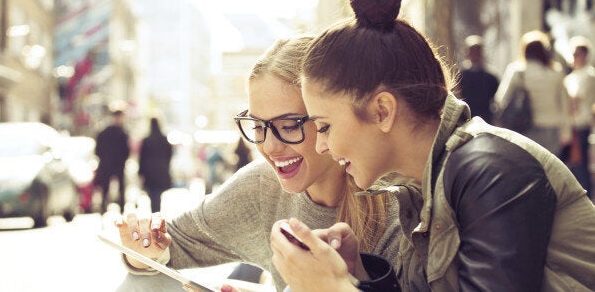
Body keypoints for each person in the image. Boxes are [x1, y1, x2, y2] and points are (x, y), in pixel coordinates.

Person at [270, 0, 595, 291]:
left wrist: (332, 287)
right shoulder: (424, 186)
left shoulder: (490, 169)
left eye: (324, 126)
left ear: (382, 111)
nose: (321, 145)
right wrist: (356, 272)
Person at [113, 36, 401, 292]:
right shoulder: (262, 186)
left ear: (328, 118)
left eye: (289, 125)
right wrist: (142, 248)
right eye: (258, 126)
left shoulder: (397, 202)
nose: (269, 146)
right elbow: (174, 244)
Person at [494, 30, 572, 157]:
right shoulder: (556, 73)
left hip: (524, 128)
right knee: (550, 170)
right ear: (544, 51)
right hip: (552, 129)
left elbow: (501, 100)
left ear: (524, 50)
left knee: (529, 170)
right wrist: (566, 134)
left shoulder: (517, 71)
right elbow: (564, 106)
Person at [563, 36, 595, 199]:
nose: (576, 57)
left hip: (581, 123)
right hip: (569, 124)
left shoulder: (589, 75)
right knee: (573, 164)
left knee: (581, 164)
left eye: (579, 54)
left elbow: (576, 99)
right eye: (574, 54)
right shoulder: (571, 77)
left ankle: (586, 198)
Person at [94, 108, 130, 214]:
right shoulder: (122, 132)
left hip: (107, 163)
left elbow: (98, 150)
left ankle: (104, 207)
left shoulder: (103, 132)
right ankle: (119, 209)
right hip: (116, 164)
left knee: (107, 187)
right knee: (118, 187)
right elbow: (126, 150)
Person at [456, 35, 499, 123]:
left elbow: (496, 100)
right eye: (472, 51)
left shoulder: (491, 77)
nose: (475, 55)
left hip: (486, 119)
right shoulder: (460, 75)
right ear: (466, 53)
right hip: (466, 119)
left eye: (477, 51)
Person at [138, 117, 173, 213]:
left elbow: (142, 157)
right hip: (162, 171)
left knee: (153, 194)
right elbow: (169, 155)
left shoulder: (146, 140)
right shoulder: (164, 139)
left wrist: (140, 172)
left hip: (150, 172)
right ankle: (157, 213)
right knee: (158, 194)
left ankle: (155, 214)